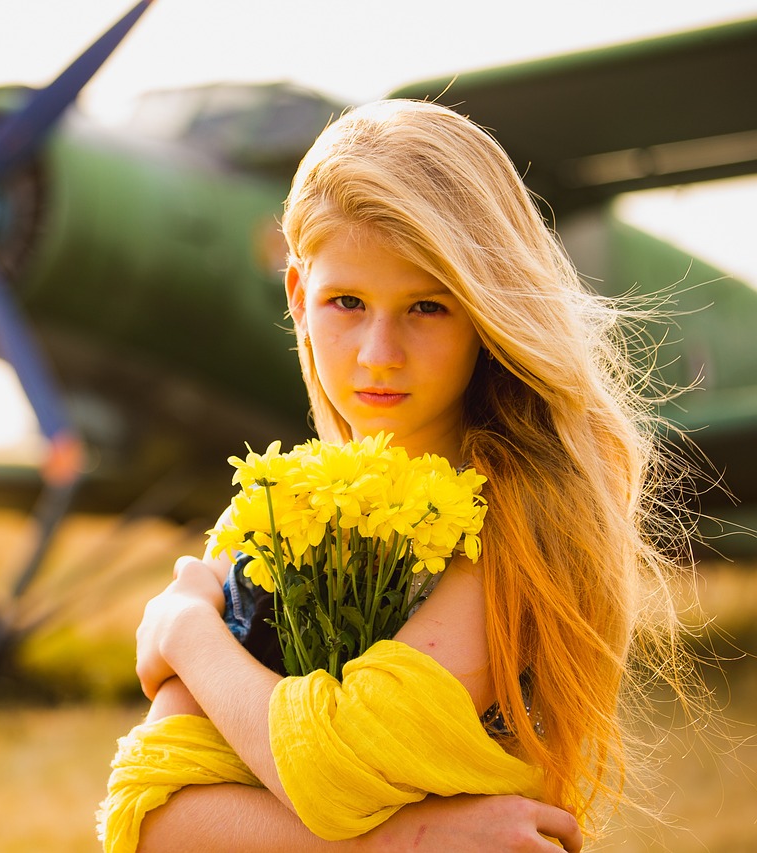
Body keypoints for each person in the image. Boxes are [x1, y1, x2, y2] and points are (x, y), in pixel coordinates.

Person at [97, 99, 702, 852]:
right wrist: (404, 841)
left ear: (486, 310)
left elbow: (336, 765)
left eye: (427, 307)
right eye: (346, 302)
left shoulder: (522, 515)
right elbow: (151, 818)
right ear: (297, 298)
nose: (380, 352)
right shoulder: (279, 513)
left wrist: (188, 630)